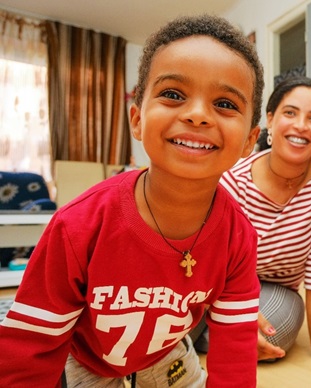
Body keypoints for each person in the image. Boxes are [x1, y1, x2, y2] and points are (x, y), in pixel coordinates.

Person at [0, 14, 264, 387]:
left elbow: (236, 353)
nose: (197, 115)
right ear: (137, 120)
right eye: (173, 94)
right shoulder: (78, 226)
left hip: (167, 352)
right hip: (88, 360)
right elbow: (29, 351)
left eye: (224, 103)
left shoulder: (238, 236)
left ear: (249, 142)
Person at [194, 76, 311, 363]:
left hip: (276, 288)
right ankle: (206, 336)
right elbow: (206, 256)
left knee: (273, 337)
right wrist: (234, 309)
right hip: (215, 282)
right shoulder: (233, 176)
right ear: (271, 118)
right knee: (176, 321)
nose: (301, 126)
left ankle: (197, 339)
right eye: (290, 113)